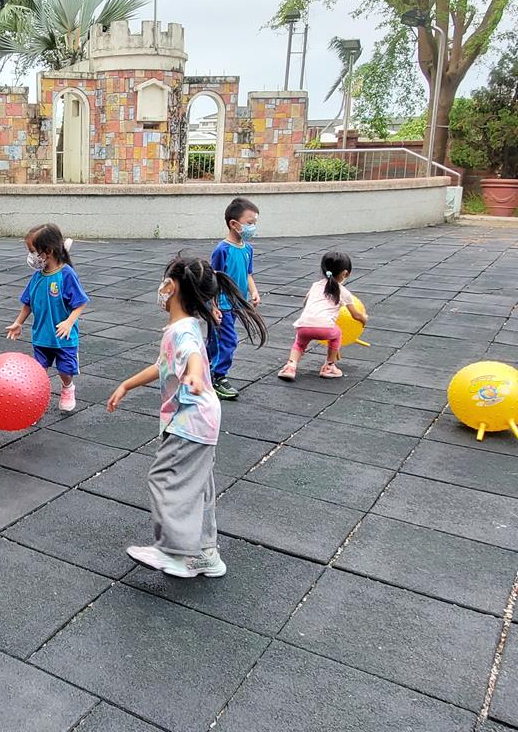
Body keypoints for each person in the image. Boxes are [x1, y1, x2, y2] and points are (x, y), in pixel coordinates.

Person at [108, 253, 266, 578]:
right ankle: (206, 553)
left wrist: (194, 373)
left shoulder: (183, 331)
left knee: (165, 479)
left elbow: (192, 354)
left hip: (189, 420)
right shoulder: (185, 326)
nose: (160, 288)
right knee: (198, 486)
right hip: (203, 418)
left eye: (164, 281)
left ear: (173, 286)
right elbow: (162, 365)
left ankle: (174, 551)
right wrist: (126, 384)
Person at [6, 224, 89, 412]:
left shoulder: (66, 275)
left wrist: (69, 322)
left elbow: (80, 302)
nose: (31, 256)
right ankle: (37, 401)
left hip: (63, 337)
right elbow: (28, 302)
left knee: (65, 371)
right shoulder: (37, 277)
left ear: (49, 251)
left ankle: (68, 387)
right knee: (38, 373)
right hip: (42, 336)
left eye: (32, 251)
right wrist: (18, 322)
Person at [279, 251, 367, 381]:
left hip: (303, 326)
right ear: (345, 274)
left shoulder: (315, 286)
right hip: (325, 328)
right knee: (337, 334)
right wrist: (364, 319)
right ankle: (329, 366)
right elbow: (355, 315)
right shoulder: (343, 292)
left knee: (299, 344)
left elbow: (305, 303)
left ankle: (290, 366)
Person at [207, 197, 261, 400]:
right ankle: (218, 377)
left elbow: (248, 274)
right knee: (228, 340)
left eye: (254, 222)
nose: (252, 227)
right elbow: (213, 278)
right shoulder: (223, 250)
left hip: (237, 303)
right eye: (249, 223)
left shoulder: (247, 249)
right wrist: (213, 306)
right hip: (222, 305)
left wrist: (253, 292)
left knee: (216, 341)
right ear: (233, 224)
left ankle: (199, 367)